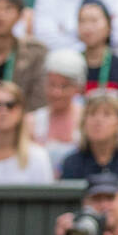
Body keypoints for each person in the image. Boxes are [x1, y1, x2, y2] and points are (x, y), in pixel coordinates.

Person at [29, 49, 87, 177]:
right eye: (52, 85)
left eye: (64, 86)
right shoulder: (31, 121)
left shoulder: (87, 119)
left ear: (78, 88)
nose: (57, 93)